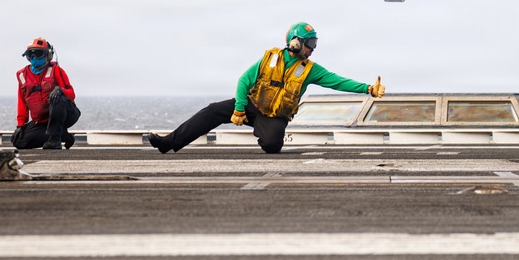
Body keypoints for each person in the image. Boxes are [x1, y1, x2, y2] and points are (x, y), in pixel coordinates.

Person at [148, 22, 385, 155]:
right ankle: (168, 143)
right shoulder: (269, 58)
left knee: (272, 146)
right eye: (309, 44)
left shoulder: (310, 69)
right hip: (252, 106)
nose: (312, 49)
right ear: (295, 42)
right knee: (212, 110)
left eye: (314, 44)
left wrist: (367, 89)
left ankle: (263, 131)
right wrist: (239, 109)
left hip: (275, 115)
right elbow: (244, 81)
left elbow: (338, 81)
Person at [12, 37, 81, 150]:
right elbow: (22, 103)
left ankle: (55, 140)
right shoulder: (22, 76)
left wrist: (60, 90)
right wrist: (20, 125)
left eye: (38, 53)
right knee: (19, 141)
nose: (34, 57)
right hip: (42, 120)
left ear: (48, 55)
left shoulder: (56, 70)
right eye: (30, 54)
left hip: (67, 113)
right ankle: (62, 135)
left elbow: (71, 94)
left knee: (57, 97)